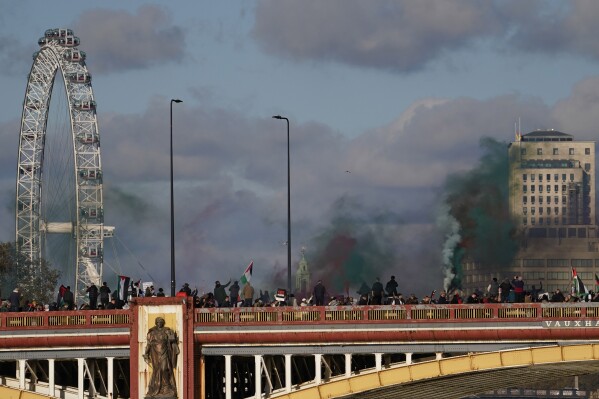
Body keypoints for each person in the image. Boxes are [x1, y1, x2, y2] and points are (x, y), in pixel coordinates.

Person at [144, 317, 179, 398]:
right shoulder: (151, 333)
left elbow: (171, 340)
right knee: (157, 370)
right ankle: (157, 388)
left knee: (164, 369)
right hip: (155, 353)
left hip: (164, 352)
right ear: (156, 323)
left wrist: (172, 337)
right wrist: (146, 353)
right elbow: (148, 345)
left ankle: (167, 386)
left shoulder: (166, 331)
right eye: (158, 322)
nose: (160, 323)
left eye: (161, 322)